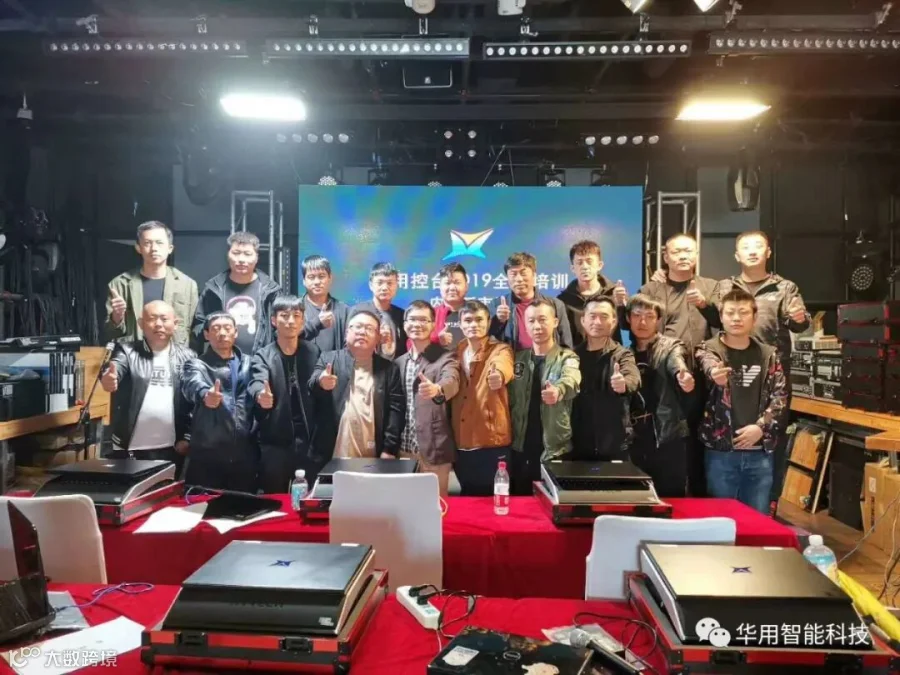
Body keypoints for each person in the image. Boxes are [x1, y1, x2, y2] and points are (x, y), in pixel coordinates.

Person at [711, 230, 809, 509]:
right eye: (746, 247)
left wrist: (800, 318)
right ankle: (724, 506)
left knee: (771, 432)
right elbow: (710, 316)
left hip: (771, 372)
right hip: (731, 370)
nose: (752, 251)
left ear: (768, 252)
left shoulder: (785, 287)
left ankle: (768, 505)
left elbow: (800, 323)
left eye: (758, 246)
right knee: (727, 429)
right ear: (736, 255)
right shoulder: (724, 286)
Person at [695, 288, 788, 514]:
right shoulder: (708, 350)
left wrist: (761, 427)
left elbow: (780, 396)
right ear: (721, 316)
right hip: (721, 452)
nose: (736, 318)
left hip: (760, 451)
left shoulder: (769, 354)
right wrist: (715, 374)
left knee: (757, 520)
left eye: (743, 312)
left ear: (754, 318)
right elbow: (707, 364)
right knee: (721, 521)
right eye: (730, 313)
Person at [642, 233, 720, 497]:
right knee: (663, 441)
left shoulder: (711, 286)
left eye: (689, 251)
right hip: (661, 375)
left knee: (698, 442)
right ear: (666, 257)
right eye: (677, 252)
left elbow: (725, 320)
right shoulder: (652, 289)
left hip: (700, 376)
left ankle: (698, 501)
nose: (683, 256)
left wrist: (705, 305)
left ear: (696, 255)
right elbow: (635, 324)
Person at [100, 300, 194, 477]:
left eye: (164, 319)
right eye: (152, 319)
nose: (158, 324)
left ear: (175, 324)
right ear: (141, 324)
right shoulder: (126, 351)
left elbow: (192, 403)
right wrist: (109, 379)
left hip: (172, 449)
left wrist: (187, 437)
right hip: (129, 447)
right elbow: (114, 368)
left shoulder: (188, 357)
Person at [507, 299, 581, 495]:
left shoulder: (567, 357)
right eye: (531, 321)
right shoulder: (517, 359)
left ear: (555, 322)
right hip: (520, 446)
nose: (537, 326)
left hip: (554, 448)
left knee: (551, 503)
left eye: (542, 320)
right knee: (521, 503)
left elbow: (572, 379)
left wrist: (558, 390)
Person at [248, 295, 320, 493]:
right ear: (273, 320)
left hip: (308, 442)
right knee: (275, 498)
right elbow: (257, 381)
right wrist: (260, 396)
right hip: (275, 442)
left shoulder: (313, 352)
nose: (290, 321)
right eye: (284, 316)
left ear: (302, 321)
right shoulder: (264, 355)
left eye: (296, 316)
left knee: (309, 497)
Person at [626, 294, 695, 498]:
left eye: (649, 316)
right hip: (634, 440)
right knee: (636, 499)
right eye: (637, 315)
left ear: (658, 320)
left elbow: (676, 361)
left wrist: (683, 376)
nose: (643, 322)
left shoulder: (671, 346)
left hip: (666, 436)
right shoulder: (625, 353)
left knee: (671, 499)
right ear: (628, 318)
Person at [312, 309, 405, 460]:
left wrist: (389, 448)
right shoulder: (329, 359)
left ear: (378, 337)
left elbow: (396, 410)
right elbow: (312, 385)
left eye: (369, 328)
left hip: (373, 452)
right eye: (358, 326)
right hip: (333, 452)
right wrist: (321, 382)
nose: (362, 332)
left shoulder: (389, 369)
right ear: (346, 333)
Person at [182, 312, 256, 492]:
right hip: (208, 454)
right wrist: (205, 394)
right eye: (216, 329)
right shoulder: (196, 364)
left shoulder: (250, 363)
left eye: (227, 328)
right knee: (203, 505)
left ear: (235, 332)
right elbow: (192, 384)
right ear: (206, 334)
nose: (222, 333)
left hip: (245, 453)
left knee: (244, 505)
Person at [396, 301, 460, 496]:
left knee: (436, 507)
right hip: (403, 451)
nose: (417, 324)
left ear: (433, 325)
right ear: (405, 324)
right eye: (412, 319)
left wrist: (437, 389)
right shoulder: (398, 363)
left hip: (434, 450)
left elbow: (452, 380)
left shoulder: (445, 357)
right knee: (403, 507)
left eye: (423, 320)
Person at [452, 300, 515, 496]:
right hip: (462, 442)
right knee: (467, 498)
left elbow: (502, 365)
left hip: (491, 442)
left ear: (488, 322)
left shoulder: (500, 349)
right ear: (460, 324)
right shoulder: (458, 349)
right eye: (468, 320)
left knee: (494, 499)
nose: (473, 324)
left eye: (479, 320)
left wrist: (499, 376)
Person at [105, 220, 198, 347]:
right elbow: (108, 333)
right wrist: (117, 316)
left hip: (174, 354)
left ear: (170, 248)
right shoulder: (120, 284)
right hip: (132, 354)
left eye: (159, 243)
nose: (154, 248)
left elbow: (193, 331)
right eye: (147, 243)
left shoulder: (187, 285)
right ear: (138, 248)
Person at [571, 296, 640, 461]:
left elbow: (633, 377)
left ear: (614, 321)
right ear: (583, 320)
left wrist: (624, 384)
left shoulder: (622, 354)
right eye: (592, 316)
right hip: (578, 445)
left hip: (615, 444)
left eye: (604, 317)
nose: (597, 322)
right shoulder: (572, 356)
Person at [192, 231, 281, 356]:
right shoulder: (213, 289)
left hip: (260, 361)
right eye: (236, 253)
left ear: (256, 257)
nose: (241, 259)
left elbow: (279, 330)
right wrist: (213, 330)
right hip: (220, 361)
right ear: (228, 255)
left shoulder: (270, 290)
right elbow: (198, 327)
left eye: (247, 254)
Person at [489, 252, 574, 350]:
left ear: (534, 275)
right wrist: (498, 321)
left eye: (523, 273)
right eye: (513, 274)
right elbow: (486, 340)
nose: (519, 279)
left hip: (549, 359)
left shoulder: (555, 305)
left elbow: (566, 344)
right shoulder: (497, 305)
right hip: (511, 359)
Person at [557, 240, 628, 347]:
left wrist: (622, 305)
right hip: (576, 356)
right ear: (572, 268)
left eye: (589, 261)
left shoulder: (614, 293)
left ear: (600, 265)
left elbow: (627, 326)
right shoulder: (563, 300)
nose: (585, 267)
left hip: (611, 355)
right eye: (579, 262)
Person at [352, 262, 407, 360]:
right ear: (371, 285)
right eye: (380, 283)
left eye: (390, 283)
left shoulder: (402, 315)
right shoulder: (358, 312)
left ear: (397, 285)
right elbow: (349, 347)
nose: (385, 288)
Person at [300, 255, 350, 352]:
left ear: (330, 278)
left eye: (321, 276)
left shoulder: (344, 310)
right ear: (304, 281)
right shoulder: (295, 309)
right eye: (311, 277)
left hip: (335, 361)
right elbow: (286, 338)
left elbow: (349, 347)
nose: (317, 282)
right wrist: (317, 322)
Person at [431, 262, 469, 350]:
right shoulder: (431, 315)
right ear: (440, 287)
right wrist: (437, 341)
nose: (452, 288)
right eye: (447, 283)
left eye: (457, 283)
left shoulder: (476, 313)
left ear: (466, 286)